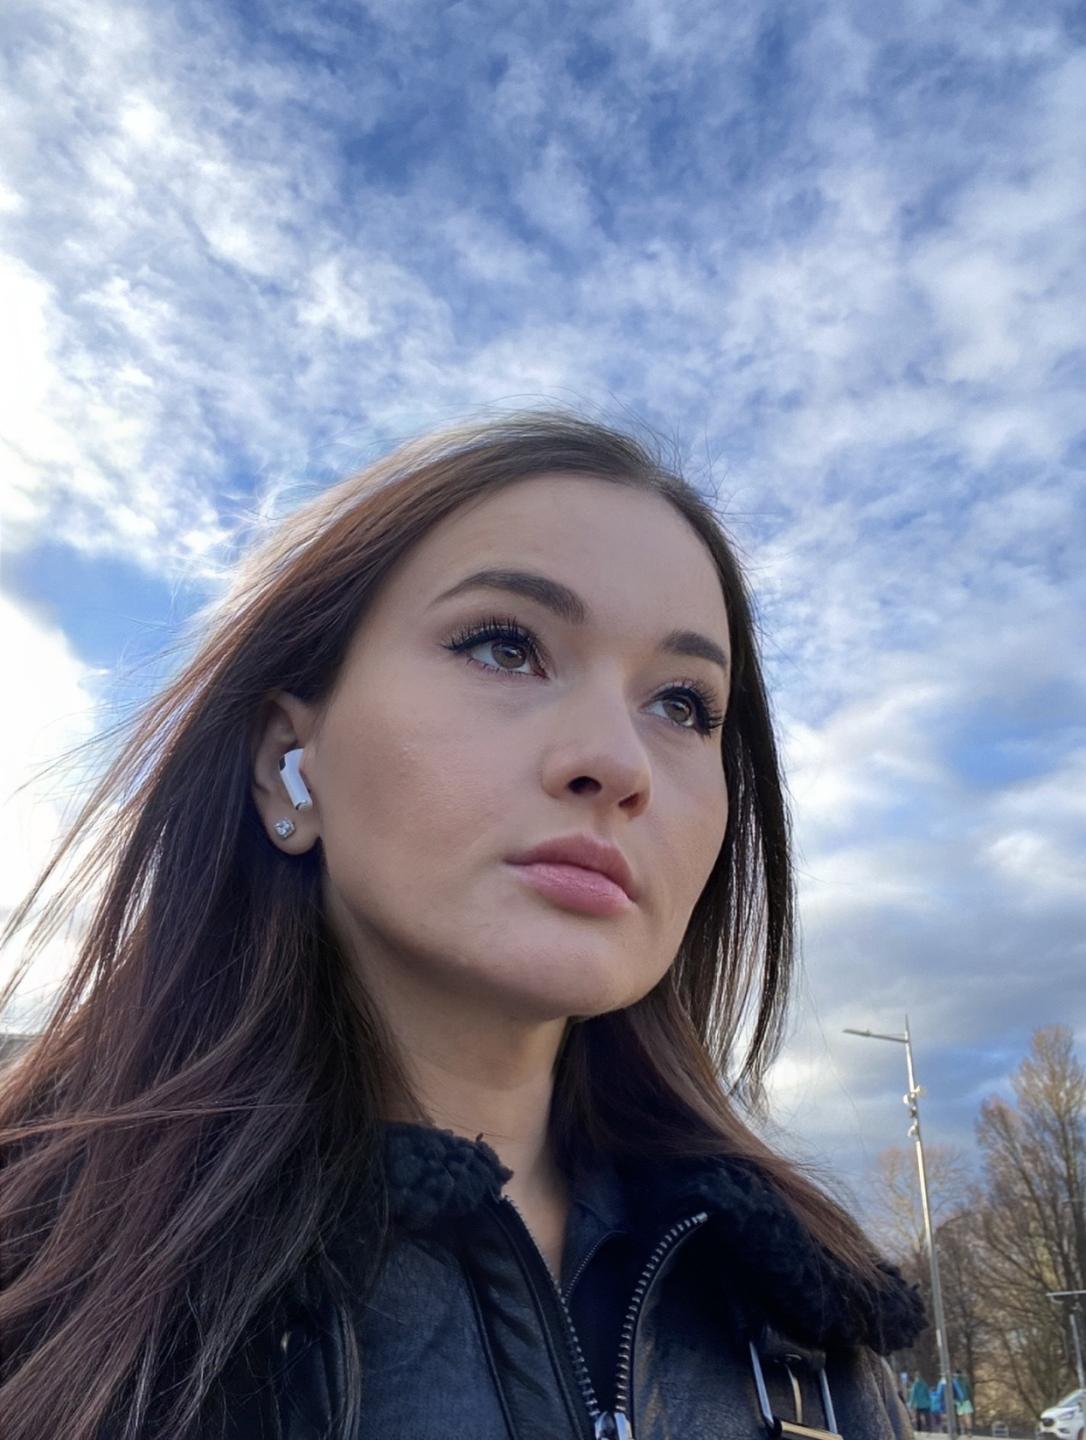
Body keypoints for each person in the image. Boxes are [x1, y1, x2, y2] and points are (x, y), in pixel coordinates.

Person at [0, 412, 924, 1439]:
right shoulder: (34, 1262)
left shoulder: (804, 1323)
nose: (617, 763)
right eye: (505, 646)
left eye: (681, 705)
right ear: (285, 765)